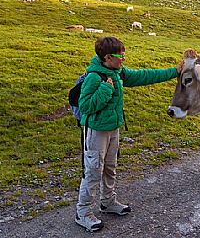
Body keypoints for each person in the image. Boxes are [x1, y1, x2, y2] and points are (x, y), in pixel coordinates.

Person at [75, 36, 180, 232]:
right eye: (120, 56)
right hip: (96, 131)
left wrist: (175, 71)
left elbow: (145, 76)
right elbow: (86, 106)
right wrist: (106, 89)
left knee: (110, 167)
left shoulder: (117, 72)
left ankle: (107, 202)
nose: (124, 59)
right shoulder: (94, 77)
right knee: (93, 170)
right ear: (108, 57)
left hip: (113, 128)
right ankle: (83, 212)